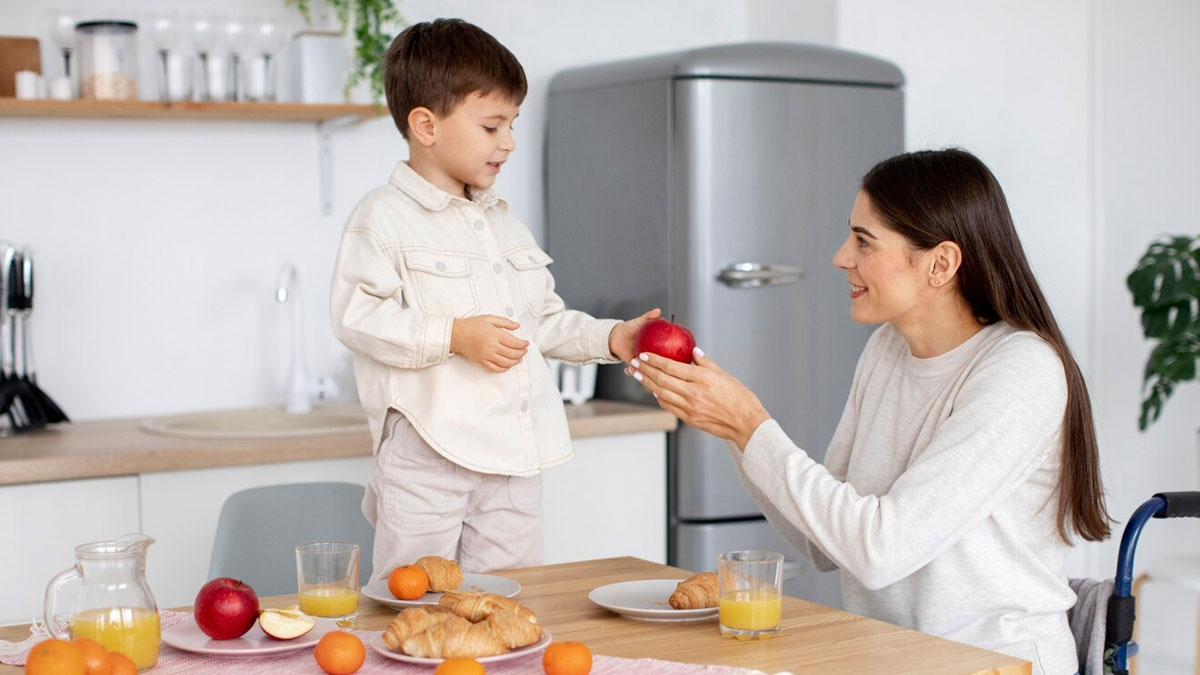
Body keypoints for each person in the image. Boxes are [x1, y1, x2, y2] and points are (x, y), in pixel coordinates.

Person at [629, 148, 1109, 675]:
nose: (841, 257)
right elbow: (824, 544)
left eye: (863, 241)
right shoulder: (887, 349)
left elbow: (880, 550)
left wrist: (750, 424)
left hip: (990, 665)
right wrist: (732, 429)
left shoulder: (1021, 370)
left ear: (941, 263)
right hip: (887, 658)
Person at [329, 18, 657, 580]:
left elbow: (544, 323)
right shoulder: (382, 217)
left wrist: (611, 337)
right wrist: (454, 335)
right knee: (412, 597)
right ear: (426, 125)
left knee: (508, 598)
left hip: (513, 457)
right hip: (428, 456)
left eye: (512, 124)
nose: (508, 142)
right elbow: (357, 317)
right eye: (491, 125)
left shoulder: (505, 227)